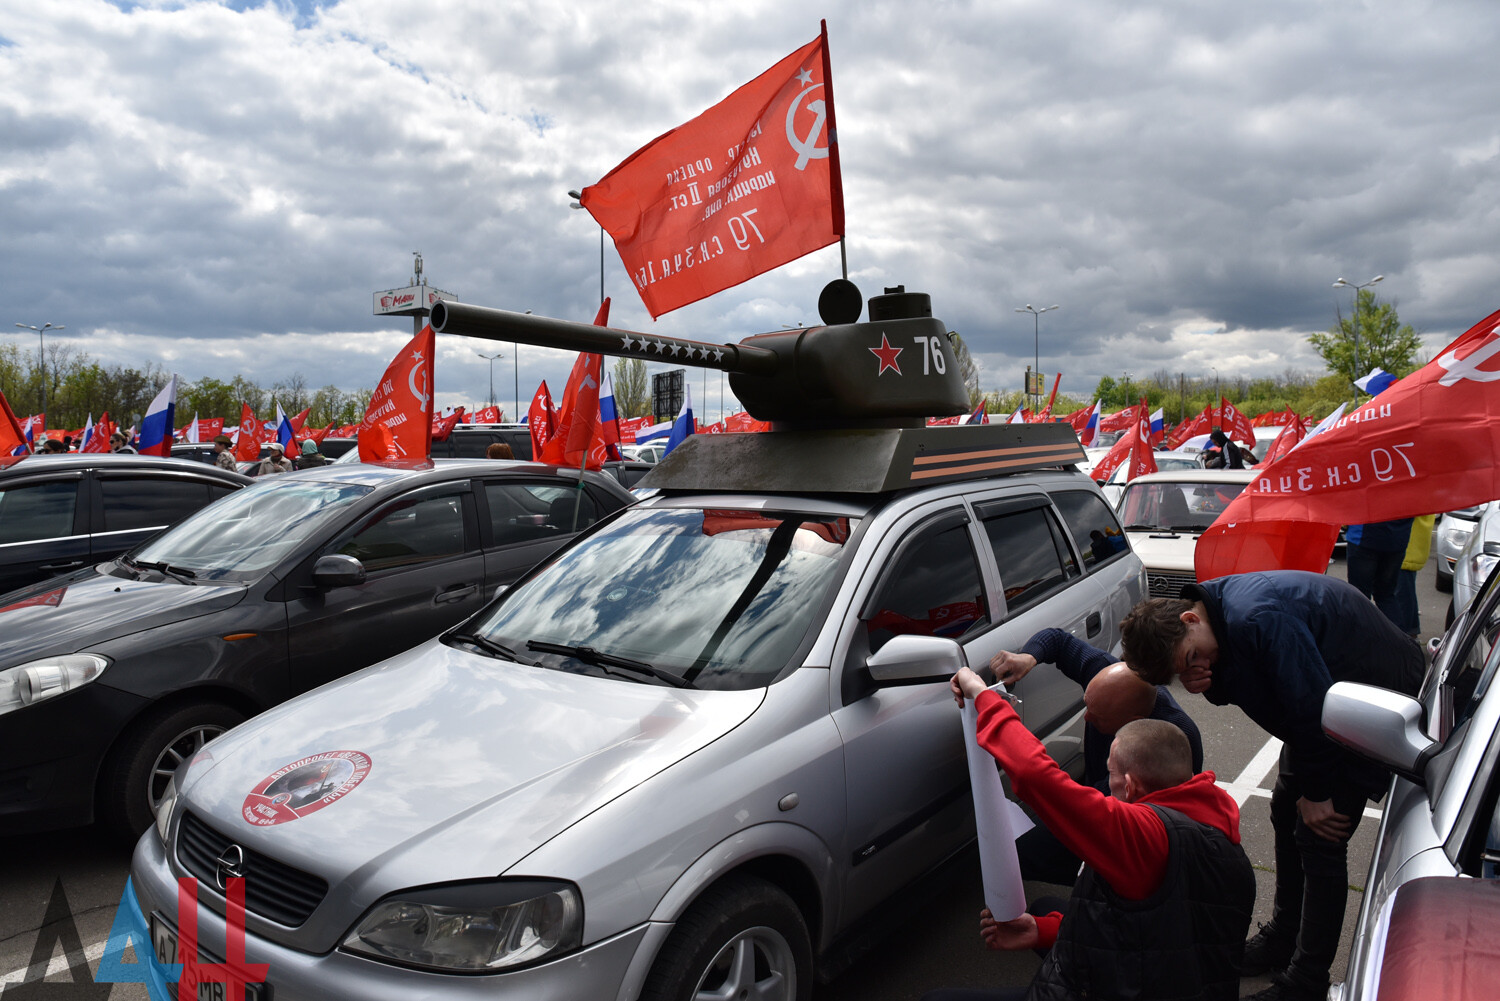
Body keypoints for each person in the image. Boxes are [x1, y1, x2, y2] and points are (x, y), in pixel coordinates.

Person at [1119, 571, 1424, 1001]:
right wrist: (1212, 682)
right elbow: (1265, 686)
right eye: (1183, 674)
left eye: (1191, 661)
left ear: (1189, 618)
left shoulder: (1255, 618)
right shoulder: (1217, 620)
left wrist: (1317, 794)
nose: (1195, 672)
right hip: (1327, 703)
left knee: (1319, 834)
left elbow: (1312, 708)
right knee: (1284, 807)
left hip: (1376, 693)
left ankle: (1307, 980)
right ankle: (1283, 938)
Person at [920, 670, 1254, 1001]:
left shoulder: (1142, 838)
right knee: (1045, 908)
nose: (1106, 790)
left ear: (1133, 785)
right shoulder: (1211, 823)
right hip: (1181, 976)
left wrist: (982, 695)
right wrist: (1041, 930)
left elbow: (1037, 775)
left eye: (1110, 775)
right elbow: (1157, 931)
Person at [991, 628, 1204, 885]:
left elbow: (1085, 805)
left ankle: (1098, 885)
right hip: (1102, 788)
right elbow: (1058, 640)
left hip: (1127, 824)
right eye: (1087, 705)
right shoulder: (1109, 679)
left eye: (1098, 716)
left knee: (1023, 851)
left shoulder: (1176, 740)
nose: (1087, 717)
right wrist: (1028, 656)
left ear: (1133, 723)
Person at [1344, 518, 1415, 629]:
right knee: (1386, 595)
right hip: (1397, 540)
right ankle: (1398, 638)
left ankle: (1360, 636)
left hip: (1364, 538)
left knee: (1359, 595)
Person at [1390, 514, 1435, 641]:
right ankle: (1410, 632)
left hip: (1405, 544)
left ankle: (1405, 637)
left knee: (1401, 594)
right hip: (1409, 544)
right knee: (1405, 592)